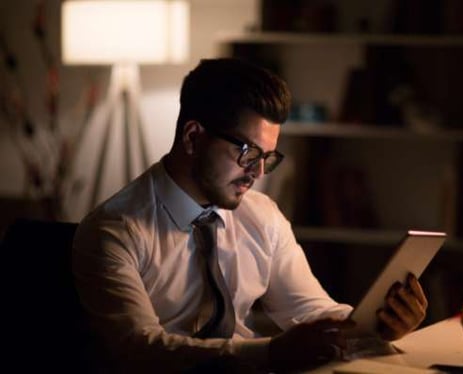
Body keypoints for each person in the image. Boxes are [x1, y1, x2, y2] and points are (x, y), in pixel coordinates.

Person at [72, 57, 428, 373]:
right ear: (193, 138)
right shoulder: (114, 232)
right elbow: (140, 350)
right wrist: (270, 353)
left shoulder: (262, 216)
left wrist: (374, 326)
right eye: (247, 152)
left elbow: (310, 311)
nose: (257, 173)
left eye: (268, 157)